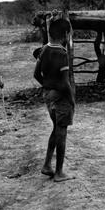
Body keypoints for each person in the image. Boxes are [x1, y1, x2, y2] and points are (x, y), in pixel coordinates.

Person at [34, 18, 76, 182]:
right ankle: (59, 172)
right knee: (62, 133)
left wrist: (48, 87)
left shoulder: (44, 49)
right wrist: (71, 99)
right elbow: (65, 83)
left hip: (48, 96)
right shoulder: (62, 53)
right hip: (61, 98)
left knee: (56, 129)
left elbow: (36, 74)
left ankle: (47, 165)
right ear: (66, 34)